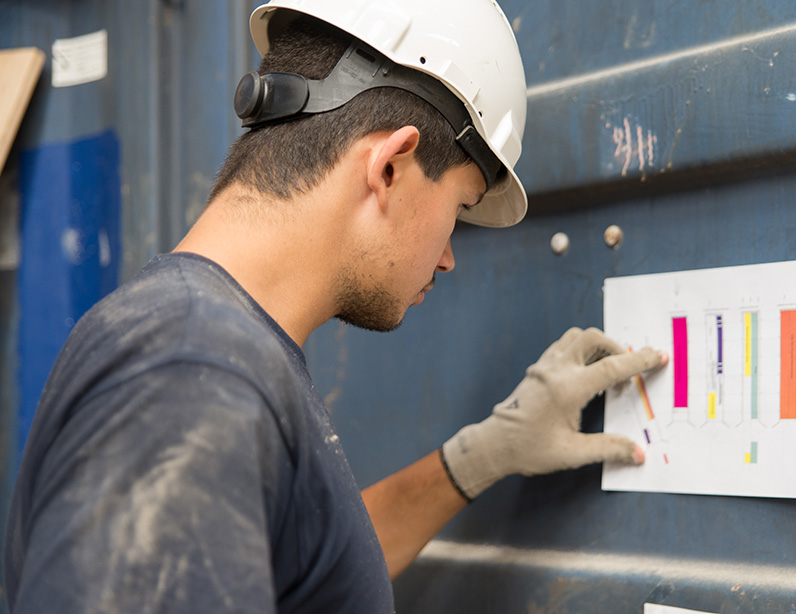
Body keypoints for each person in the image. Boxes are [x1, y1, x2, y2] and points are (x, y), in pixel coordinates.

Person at [3, 1, 667, 612]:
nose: (447, 257)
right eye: (458, 211)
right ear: (390, 166)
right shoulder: (190, 377)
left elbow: (307, 571)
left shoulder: (208, 349)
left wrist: (482, 455)